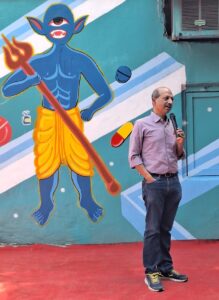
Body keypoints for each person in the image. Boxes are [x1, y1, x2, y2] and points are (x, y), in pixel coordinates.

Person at [2, 4, 112, 225]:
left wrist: (90, 110)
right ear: (41, 28)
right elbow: (7, 89)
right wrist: (29, 81)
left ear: (76, 27)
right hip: (48, 118)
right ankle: (46, 204)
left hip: (72, 116)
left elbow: (105, 93)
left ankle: (87, 201)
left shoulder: (81, 60)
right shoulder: (37, 62)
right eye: (53, 22)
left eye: (64, 23)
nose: (58, 27)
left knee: (80, 159)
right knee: (46, 161)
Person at [128, 87, 188, 292]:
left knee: (165, 229)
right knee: (153, 229)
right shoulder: (142, 125)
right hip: (155, 184)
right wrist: (149, 178)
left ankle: (165, 267)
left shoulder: (171, 124)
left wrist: (180, 143)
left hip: (174, 183)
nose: (170, 101)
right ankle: (151, 271)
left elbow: (178, 155)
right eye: (166, 97)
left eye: (172, 98)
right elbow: (134, 156)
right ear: (154, 100)